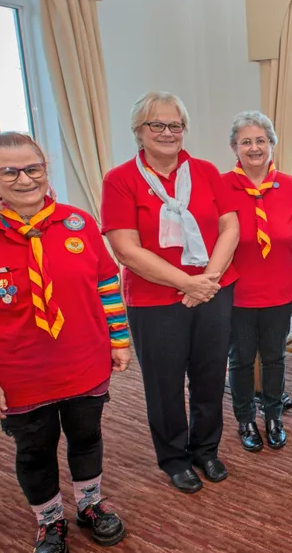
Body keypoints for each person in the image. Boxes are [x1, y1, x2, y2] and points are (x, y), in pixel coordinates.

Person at [0, 132, 129, 553]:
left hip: (84, 362)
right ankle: (49, 520)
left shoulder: (77, 223)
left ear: (45, 170)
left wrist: (119, 339)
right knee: (35, 451)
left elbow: (106, 285)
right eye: (10, 171)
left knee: (87, 438)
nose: (24, 179)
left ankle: (90, 506)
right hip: (20, 373)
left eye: (32, 169)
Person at [101, 91, 240, 494]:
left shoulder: (207, 171)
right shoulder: (120, 179)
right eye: (156, 125)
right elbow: (126, 248)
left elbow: (230, 227)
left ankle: (205, 449)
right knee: (164, 385)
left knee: (210, 375)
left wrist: (207, 281)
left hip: (213, 291)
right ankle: (174, 458)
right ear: (138, 131)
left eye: (175, 125)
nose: (167, 132)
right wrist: (187, 283)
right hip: (154, 301)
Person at [222, 111, 292, 452]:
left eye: (261, 140)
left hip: (280, 290)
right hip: (237, 292)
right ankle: (245, 418)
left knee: (275, 357)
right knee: (241, 359)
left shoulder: (290, 186)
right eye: (246, 141)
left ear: (272, 144)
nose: (254, 147)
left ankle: (273, 415)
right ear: (235, 147)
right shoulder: (222, 185)